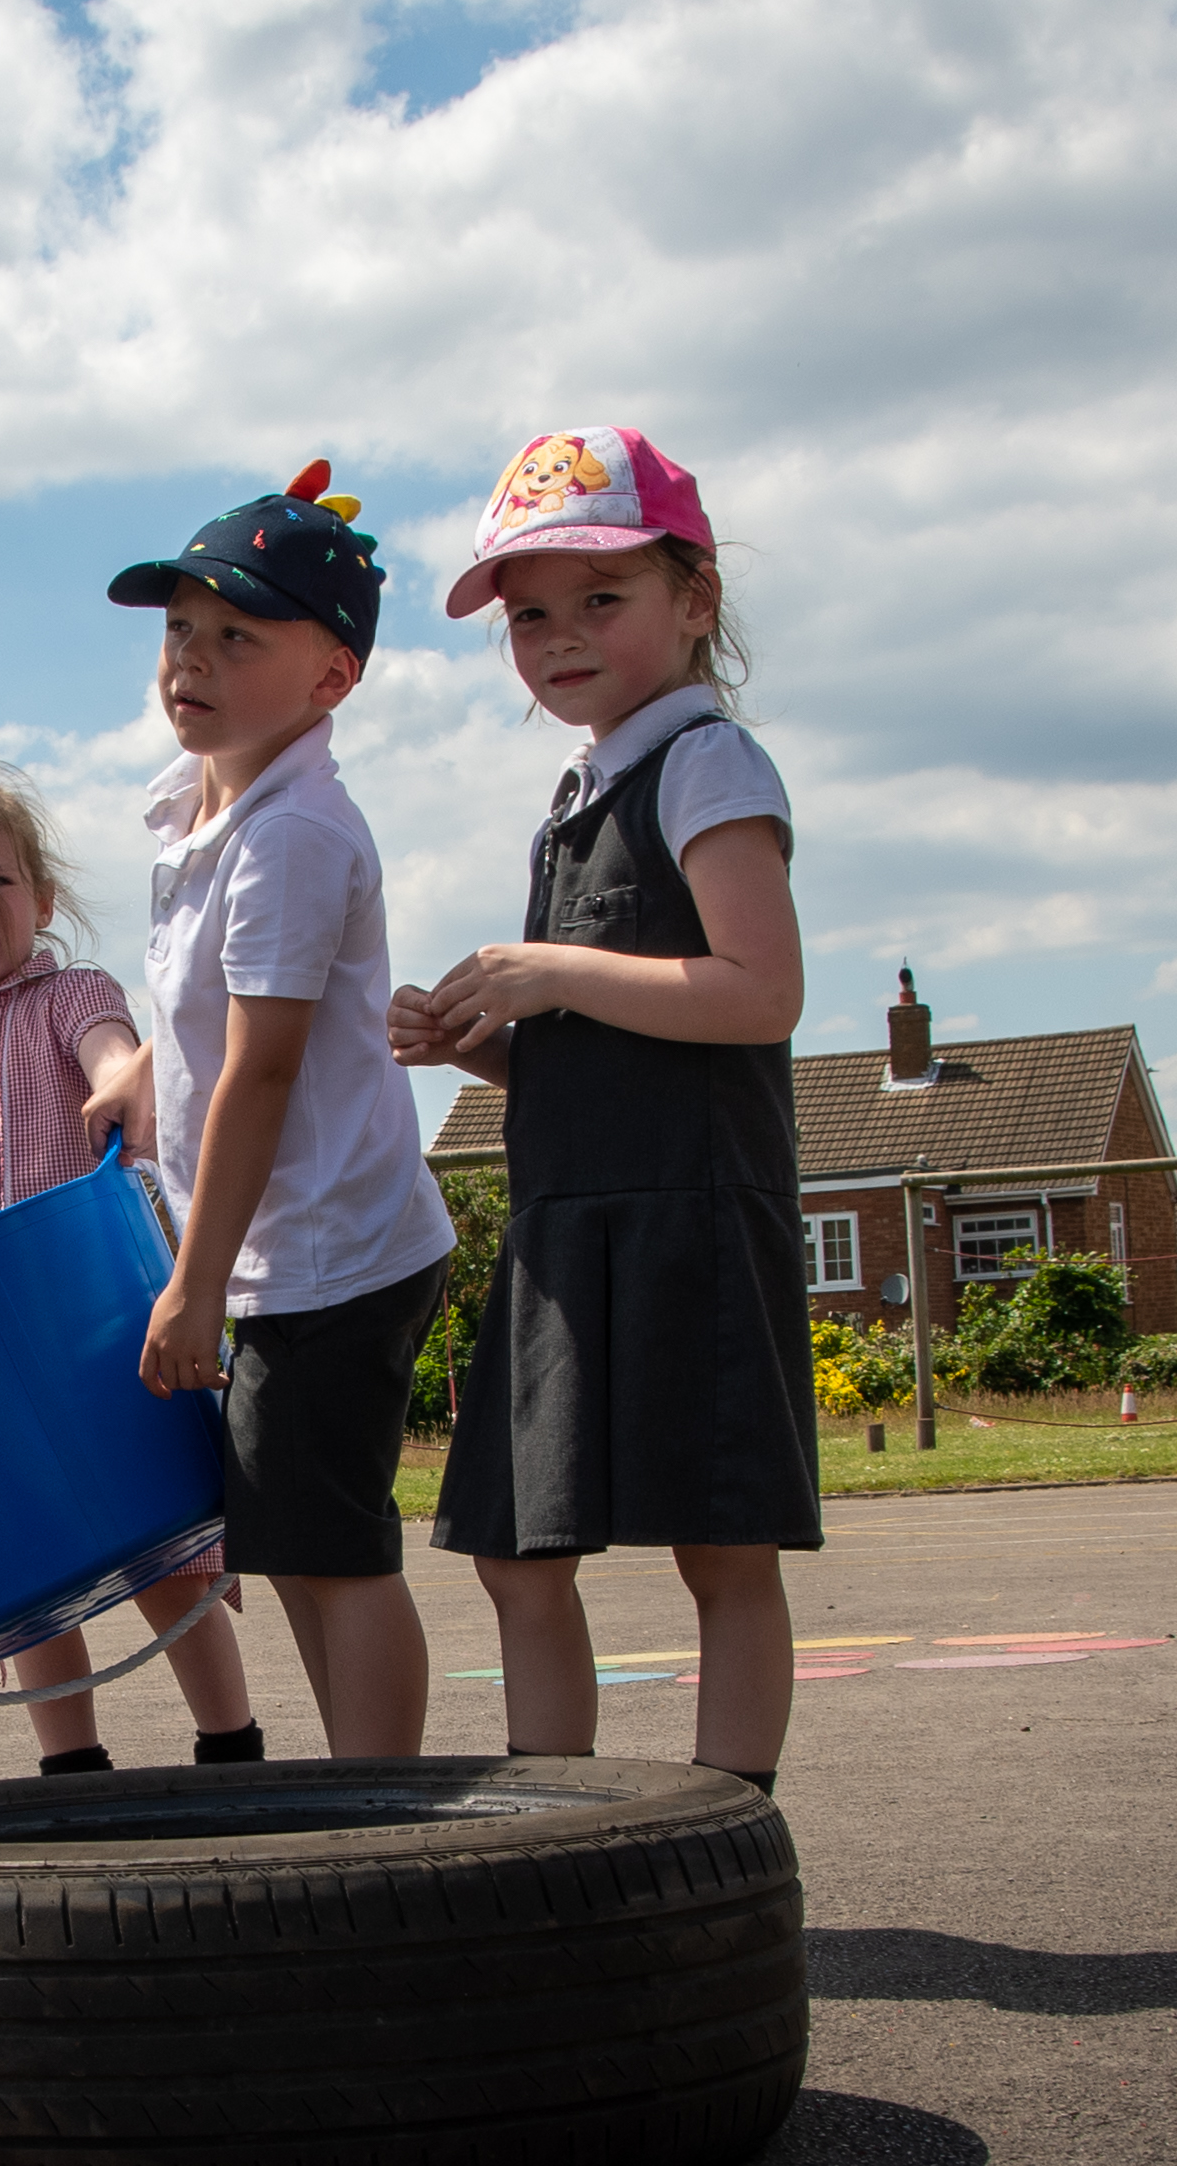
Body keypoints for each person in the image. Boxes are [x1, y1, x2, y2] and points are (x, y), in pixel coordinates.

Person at [389, 426, 816, 1796]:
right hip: (571, 1224)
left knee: (721, 1548)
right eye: (529, 616)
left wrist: (545, 969)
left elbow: (760, 993)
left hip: (690, 1210)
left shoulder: (706, 763)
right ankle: (554, 1818)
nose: (560, 637)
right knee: (518, 1548)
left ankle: (729, 1822)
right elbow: (611, 1048)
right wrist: (483, 1045)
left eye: (601, 599)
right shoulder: (579, 794)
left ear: (694, 599)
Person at [82, 465, 457, 1759]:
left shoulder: (293, 833)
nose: (192, 658)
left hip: (328, 1256)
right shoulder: (198, 809)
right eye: (181, 629)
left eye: (239, 636)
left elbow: (264, 1068)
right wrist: (140, 1071)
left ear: (331, 678)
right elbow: (202, 1025)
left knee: (336, 1554)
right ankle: (367, 1797)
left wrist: (190, 1284)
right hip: (275, 1253)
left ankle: (387, 1816)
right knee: (297, 1543)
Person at [0, 767, 262, 1777]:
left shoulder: (69, 995)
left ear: (41, 897)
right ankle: (70, 1765)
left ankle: (229, 1742)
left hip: (83, 1321)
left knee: (162, 1547)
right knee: (23, 1565)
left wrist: (126, 1072)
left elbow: (112, 1060)